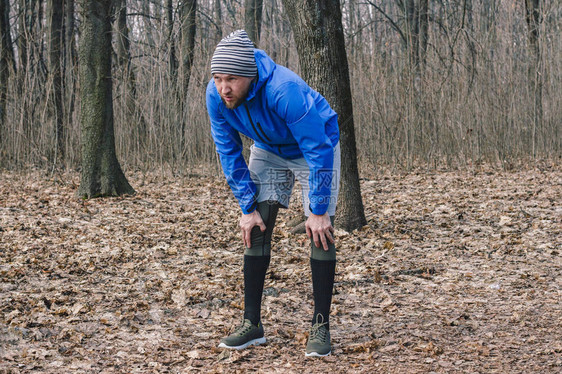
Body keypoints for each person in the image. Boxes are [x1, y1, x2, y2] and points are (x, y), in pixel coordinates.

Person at [206, 30, 340, 357]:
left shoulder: (284, 90)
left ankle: (320, 327)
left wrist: (318, 210)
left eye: (232, 79)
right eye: (218, 78)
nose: (224, 87)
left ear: (249, 76)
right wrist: (247, 205)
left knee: (319, 232)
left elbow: (318, 148)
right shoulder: (216, 96)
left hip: (315, 149)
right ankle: (252, 324)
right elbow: (228, 151)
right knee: (256, 227)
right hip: (268, 149)